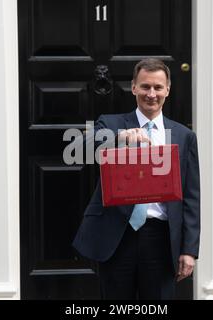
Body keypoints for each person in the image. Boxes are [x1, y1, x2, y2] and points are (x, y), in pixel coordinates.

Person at [72, 58, 200, 300]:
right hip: (117, 236)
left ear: (168, 90)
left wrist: (189, 249)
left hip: (162, 239)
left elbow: (192, 195)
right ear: (133, 88)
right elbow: (80, 148)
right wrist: (120, 137)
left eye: (158, 87)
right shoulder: (111, 123)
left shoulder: (184, 136)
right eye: (145, 86)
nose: (151, 94)